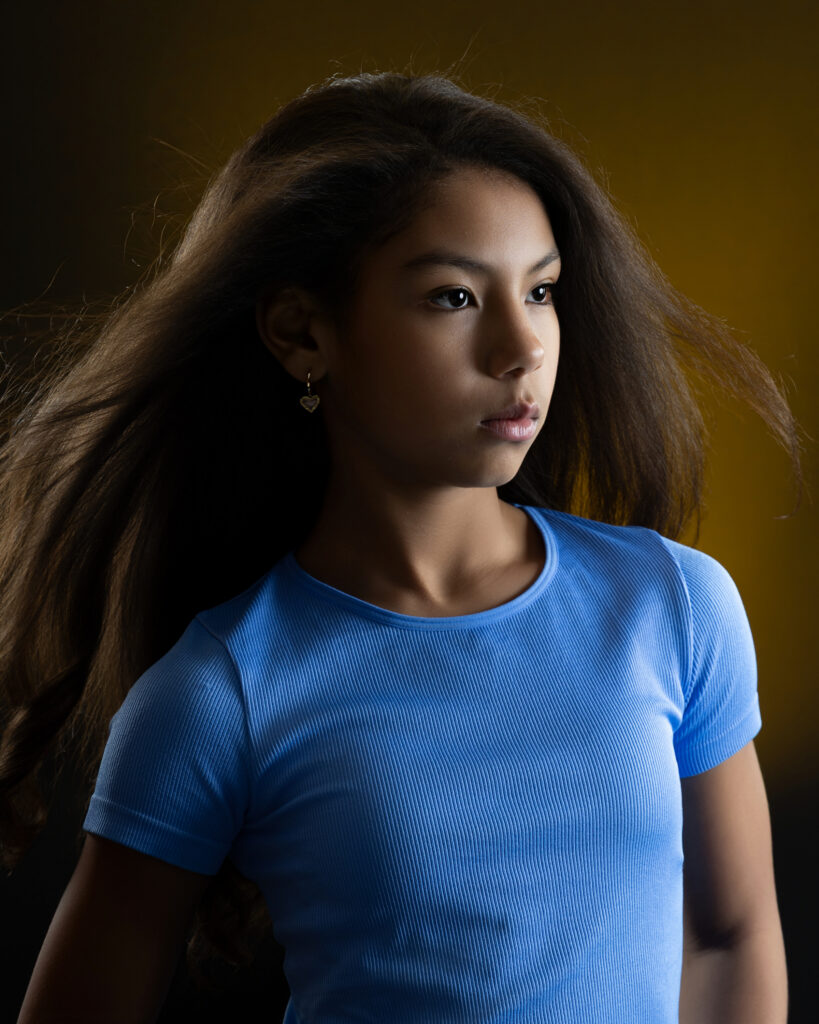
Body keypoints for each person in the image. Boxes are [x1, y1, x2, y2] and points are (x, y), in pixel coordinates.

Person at [1, 69, 799, 1023]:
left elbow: (729, 936)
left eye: (540, 290)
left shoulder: (671, 606)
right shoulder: (222, 693)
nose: (521, 347)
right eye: (453, 297)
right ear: (302, 332)